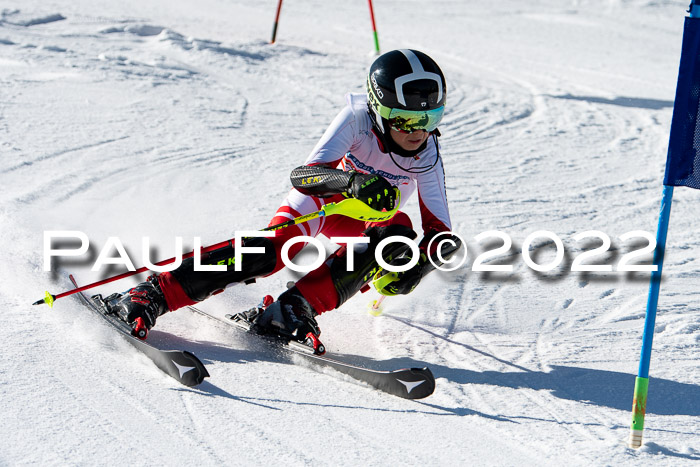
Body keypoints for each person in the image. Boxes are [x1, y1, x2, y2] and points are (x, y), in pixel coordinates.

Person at [103, 49, 462, 354]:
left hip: (364, 223)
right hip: (325, 203)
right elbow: (304, 177)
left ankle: (292, 309)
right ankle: (152, 293)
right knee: (271, 253)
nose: (418, 132)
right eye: (405, 119)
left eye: (430, 118)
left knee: (398, 231)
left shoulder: (427, 154)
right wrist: (351, 181)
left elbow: (439, 233)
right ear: (379, 109)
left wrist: (420, 266)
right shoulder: (356, 119)